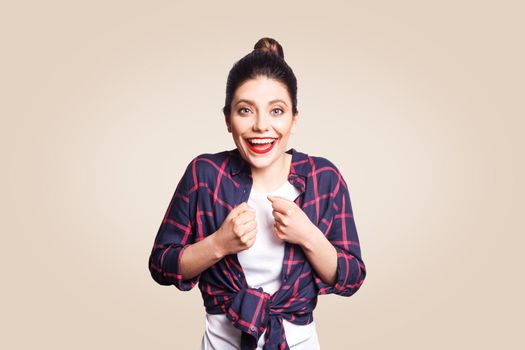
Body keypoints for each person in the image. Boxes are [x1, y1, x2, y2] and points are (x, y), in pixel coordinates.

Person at [148, 37, 366, 350]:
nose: (261, 126)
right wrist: (218, 244)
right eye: (245, 110)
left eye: (276, 111)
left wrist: (309, 236)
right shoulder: (204, 174)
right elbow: (161, 265)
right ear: (228, 120)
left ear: (294, 119)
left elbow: (351, 278)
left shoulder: (324, 178)